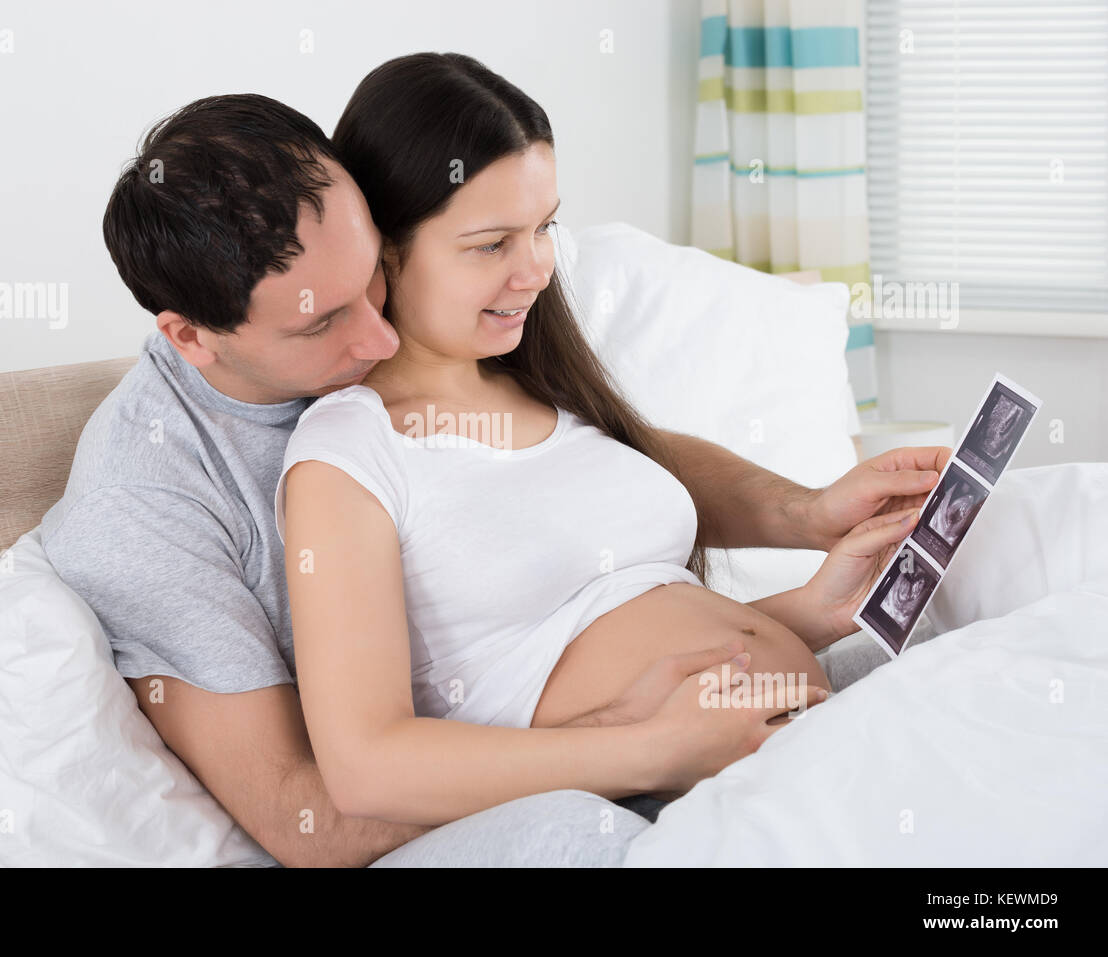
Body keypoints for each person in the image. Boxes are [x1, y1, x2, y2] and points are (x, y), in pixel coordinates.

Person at [40, 86, 948, 866]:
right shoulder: (154, 501)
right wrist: (637, 742)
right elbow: (308, 812)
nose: (382, 339)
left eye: (375, 279)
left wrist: (805, 533)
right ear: (190, 336)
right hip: (536, 805)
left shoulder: (446, 326)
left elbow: (583, 475)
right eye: (323, 327)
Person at [276, 53, 945, 827]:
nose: (535, 269)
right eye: (491, 244)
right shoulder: (350, 453)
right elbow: (367, 767)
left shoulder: (546, 388)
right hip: (670, 803)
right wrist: (656, 749)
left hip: (792, 748)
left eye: (544, 227)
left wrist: (811, 609)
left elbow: (635, 646)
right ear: (383, 248)